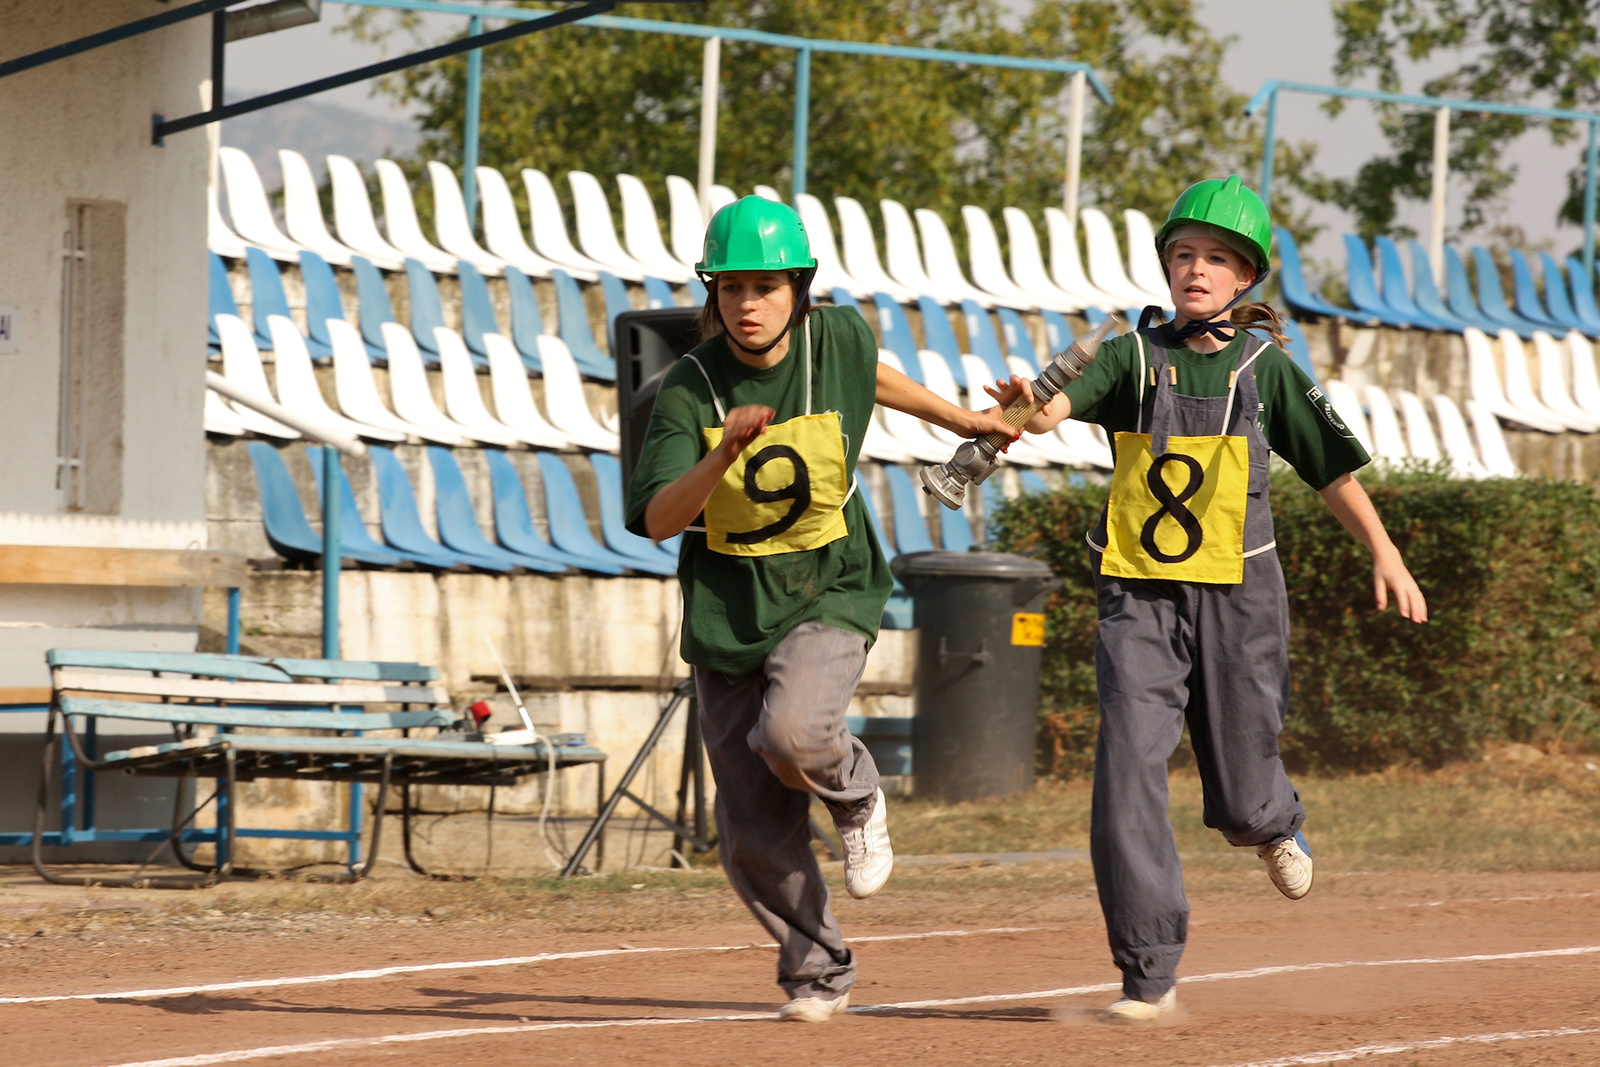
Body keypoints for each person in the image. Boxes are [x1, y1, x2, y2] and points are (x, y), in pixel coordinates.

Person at [992, 175, 1428, 1024]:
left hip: (1241, 599)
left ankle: (1273, 818)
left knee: (1236, 794)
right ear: (1167, 267)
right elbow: (1052, 413)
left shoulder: (1268, 369)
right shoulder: (1127, 356)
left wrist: (1386, 552)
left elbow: (1332, 473)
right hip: (1138, 599)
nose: (1196, 267)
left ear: (1244, 278)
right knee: (1125, 769)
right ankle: (1148, 972)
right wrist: (1029, 409)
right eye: (1183, 252)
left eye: (1216, 256)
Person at [625, 196, 1016, 1022]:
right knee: (750, 836)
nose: (747, 302)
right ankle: (818, 971)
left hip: (829, 586)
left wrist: (961, 417)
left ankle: (856, 792)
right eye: (731, 287)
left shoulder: (834, 337)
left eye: (766, 285)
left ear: (799, 287)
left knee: (795, 732)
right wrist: (723, 451)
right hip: (729, 608)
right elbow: (659, 517)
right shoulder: (687, 387)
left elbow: (868, 375)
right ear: (712, 292)